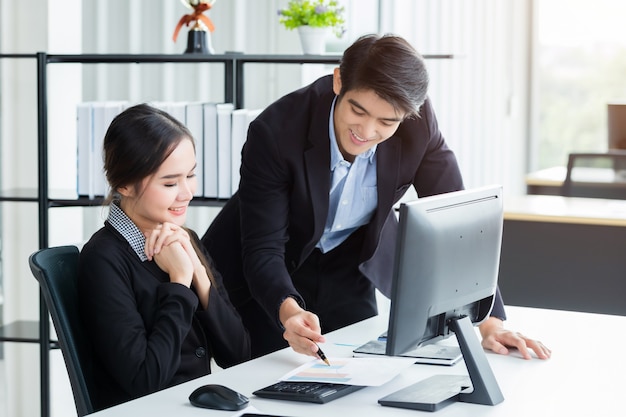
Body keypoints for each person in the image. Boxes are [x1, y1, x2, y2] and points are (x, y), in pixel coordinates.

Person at [202, 34, 551, 362]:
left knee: (360, 373)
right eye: (357, 111)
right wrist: (288, 310)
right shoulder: (276, 131)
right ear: (339, 81)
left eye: (386, 122)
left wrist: (490, 324)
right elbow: (264, 249)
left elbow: (457, 223)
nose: (366, 132)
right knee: (269, 381)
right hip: (267, 274)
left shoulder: (418, 125)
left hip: (348, 264)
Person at [78, 103, 250, 411]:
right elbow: (146, 381)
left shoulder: (186, 240)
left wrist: (197, 270)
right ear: (124, 184)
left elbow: (238, 354)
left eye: (191, 175)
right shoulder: (102, 260)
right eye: (170, 182)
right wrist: (180, 282)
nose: (186, 192)